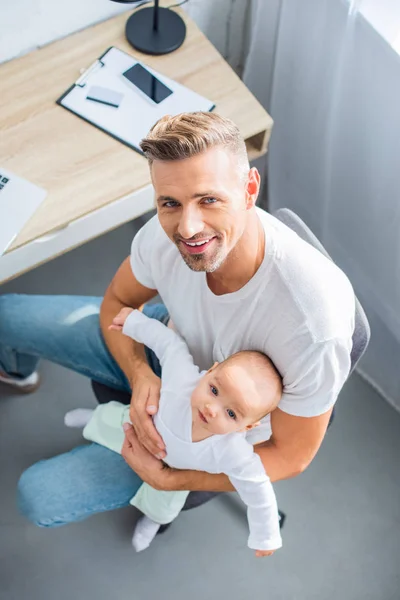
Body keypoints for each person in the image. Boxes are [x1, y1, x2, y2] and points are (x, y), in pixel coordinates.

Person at [0, 112, 355, 529]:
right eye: (170, 203)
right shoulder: (162, 235)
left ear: (249, 190)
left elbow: (291, 456)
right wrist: (140, 376)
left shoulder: (315, 325)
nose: (187, 228)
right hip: (165, 344)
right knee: (6, 315)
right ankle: (18, 374)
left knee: (38, 497)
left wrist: (172, 479)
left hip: (209, 432)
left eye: (209, 199)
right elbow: (117, 303)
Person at [65, 307, 283, 555]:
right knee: (109, 419)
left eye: (231, 413)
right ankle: (91, 418)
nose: (212, 409)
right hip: (141, 426)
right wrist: (135, 322)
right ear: (210, 371)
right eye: (214, 390)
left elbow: (258, 489)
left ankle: (151, 521)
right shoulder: (183, 378)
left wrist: (266, 535)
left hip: (175, 470)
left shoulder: (234, 451)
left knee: (164, 507)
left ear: (247, 427)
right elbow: (169, 344)